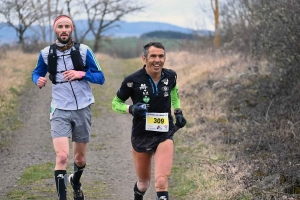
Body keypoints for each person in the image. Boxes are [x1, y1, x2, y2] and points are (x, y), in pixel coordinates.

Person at [31, 15, 105, 200]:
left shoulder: (84, 51)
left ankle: (76, 182)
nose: (63, 30)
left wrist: (81, 73)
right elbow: (37, 72)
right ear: (55, 29)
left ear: (72, 29)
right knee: (62, 157)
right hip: (59, 108)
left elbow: (100, 78)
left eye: (67, 26)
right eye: (60, 27)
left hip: (82, 108)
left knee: (79, 160)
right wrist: (38, 80)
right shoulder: (46, 53)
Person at [111, 42, 187, 200]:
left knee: (161, 182)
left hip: (164, 133)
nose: (157, 60)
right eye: (153, 56)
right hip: (141, 134)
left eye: (161, 56)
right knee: (144, 183)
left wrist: (178, 111)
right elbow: (115, 103)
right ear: (144, 58)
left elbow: (174, 92)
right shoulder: (132, 80)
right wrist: (130, 109)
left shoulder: (170, 76)